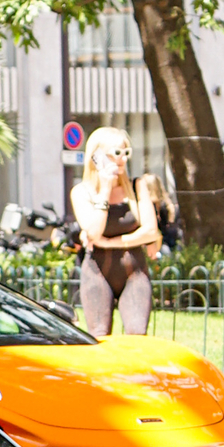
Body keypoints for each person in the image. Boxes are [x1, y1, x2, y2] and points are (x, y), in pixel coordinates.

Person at [70, 127, 156, 336]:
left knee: (137, 335)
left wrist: (112, 243)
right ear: (97, 156)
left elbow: (151, 230)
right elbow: (93, 232)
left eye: (126, 153)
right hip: (97, 273)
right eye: (116, 153)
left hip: (134, 272)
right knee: (99, 335)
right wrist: (106, 189)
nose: (122, 160)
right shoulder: (82, 192)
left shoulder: (137, 186)